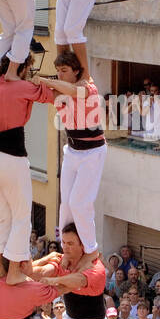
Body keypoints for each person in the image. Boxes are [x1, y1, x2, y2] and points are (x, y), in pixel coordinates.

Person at [0, 51, 78, 283]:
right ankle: (14, 271)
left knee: (3, 213)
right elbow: (56, 96)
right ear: (22, 68)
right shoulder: (20, 86)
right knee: (22, 215)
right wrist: (58, 81)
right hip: (10, 157)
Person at [51, 51, 106, 257]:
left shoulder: (87, 88)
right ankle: (66, 246)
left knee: (79, 203)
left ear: (76, 71)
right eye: (57, 71)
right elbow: (56, 93)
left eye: (64, 71)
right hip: (73, 151)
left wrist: (45, 81)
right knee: (65, 203)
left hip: (92, 153)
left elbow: (72, 91)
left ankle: (90, 249)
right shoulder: (61, 89)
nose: (60, 75)